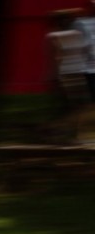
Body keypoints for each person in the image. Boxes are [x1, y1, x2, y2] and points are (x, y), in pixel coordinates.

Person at [45, 8, 91, 145]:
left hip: (64, 73)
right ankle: (70, 135)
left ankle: (61, 133)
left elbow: (55, 57)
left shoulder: (53, 35)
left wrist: (53, 75)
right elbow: (86, 50)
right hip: (78, 71)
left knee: (71, 106)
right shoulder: (77, 33)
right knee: (80, 107)